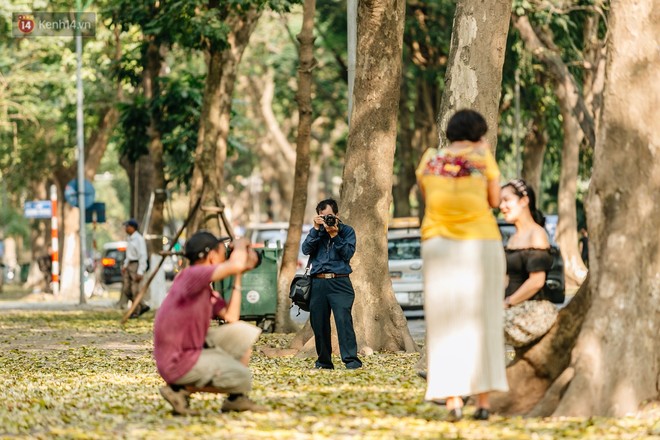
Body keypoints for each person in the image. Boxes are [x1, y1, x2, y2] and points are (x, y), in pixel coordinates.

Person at [415, 109, 508, 421]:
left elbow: (430, 198)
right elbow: (495, 201)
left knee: (444, 320)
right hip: (480, 242)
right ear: (478, 134)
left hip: (438, 243)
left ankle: (453, 399)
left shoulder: (429, 160)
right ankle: (482, 403)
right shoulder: (484, 160)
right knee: (485, 318)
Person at [154, 231, 265, 415]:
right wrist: (240, 243)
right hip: (177, 360)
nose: (225, 257)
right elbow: (235, 262)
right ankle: (179, 390)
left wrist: (238, 275)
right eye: (222, 252)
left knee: (243, 334)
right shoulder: (191, 275)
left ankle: (236, 400)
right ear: (212, 256)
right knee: (242, 377)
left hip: (190, 349)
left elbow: (231, 317)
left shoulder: (203, 287)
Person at [301, 198, 362, 370]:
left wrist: (334, 234)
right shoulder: (316, 232)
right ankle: (324, 362)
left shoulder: (347, 231)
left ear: (337, 215)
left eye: (329, 216)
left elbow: (348, 253)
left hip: (340, 282)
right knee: (319, 324)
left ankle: (351, 361)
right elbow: (305, 250)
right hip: (318, 283)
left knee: (344, 322)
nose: (326, 219)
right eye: (322, 216)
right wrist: (315, 229)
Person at [499, 179, 558, 347]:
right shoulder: (513, 238)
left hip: (532, 311)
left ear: (524, 201)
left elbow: (536, 281)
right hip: (512, 308)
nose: (501, 206)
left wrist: (508, 303)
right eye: (500, 201)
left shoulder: (537, 234)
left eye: (506, 200)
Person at [121, 219, 150, 318]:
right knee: (127, 289)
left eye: (127, 226)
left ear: (132, 227)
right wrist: (125, 266)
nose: (125, 228)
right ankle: (142, 305)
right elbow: (128, 255)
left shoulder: (139, 239)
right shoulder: (129, 238)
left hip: (136, 265)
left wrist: (140, 271)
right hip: (129, 264)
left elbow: (143, 255)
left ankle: (135, 311)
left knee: (135, 290)